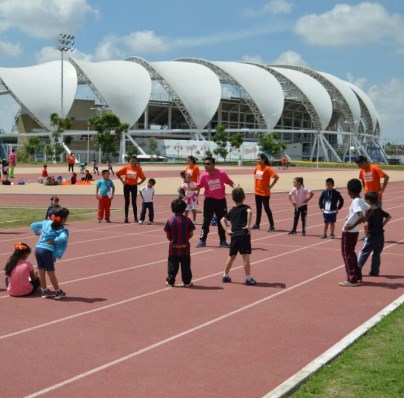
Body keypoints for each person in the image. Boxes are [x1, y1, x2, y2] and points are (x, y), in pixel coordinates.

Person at [188, 157, 235, 248]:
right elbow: (198, 186)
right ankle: (202, 240)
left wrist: (236, 187)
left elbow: (229, 182)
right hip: (209, 201)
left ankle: (223, 241)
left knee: (221, 221)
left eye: (208, 164)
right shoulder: (203, 176)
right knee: (206, 221)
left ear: (213, 165)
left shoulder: (221, 173)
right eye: (204, 164)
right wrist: (189, 187)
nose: (206, 165)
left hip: (221, 201)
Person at [31, 207, 70, 299]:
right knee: (51, 272)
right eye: (67, 218)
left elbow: (33, 225)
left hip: (38, 248)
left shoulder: (46, 222)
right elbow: (63, 238)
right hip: (46, 250)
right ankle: (57, 292)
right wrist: (54, 240)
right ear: (63, 219)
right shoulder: (62, 229)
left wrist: (38, 233)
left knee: (41, 270)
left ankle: (44, 291)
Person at [220, 187, 256, 285]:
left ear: (233, 198)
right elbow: (250, 212)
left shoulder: (232, 210)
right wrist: (248, 225)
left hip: (234, 235)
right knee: (245, 257)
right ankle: (248, 278)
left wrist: (227, 230)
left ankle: (225, 275)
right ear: (244, 197)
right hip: (244, 234)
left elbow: (222, 220)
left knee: (231, 257)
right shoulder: (246, 208)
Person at [339, 179, 370, 287]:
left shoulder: (356, 201)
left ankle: (351, 279)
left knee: (346, 254)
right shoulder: (361, 200)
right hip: (355, 232)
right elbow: (370, 210)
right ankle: (357, 276)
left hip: (349, 232)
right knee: (351, 253)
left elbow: (361, 216)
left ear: (349, 191)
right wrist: (362, 221)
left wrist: (352, 224)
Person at [358, 191, 392, 277]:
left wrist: (366, 234)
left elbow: (366, 225)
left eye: (365, 199)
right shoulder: (379, 209)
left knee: (364, 252)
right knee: (377, 253)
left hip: (371, 235)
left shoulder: (369, 211)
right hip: (380, 236)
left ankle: (357, 270)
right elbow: (389, 216)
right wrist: (382, 225)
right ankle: (374, 271)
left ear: (368, 201)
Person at [164, 198, 195, 287]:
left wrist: (172, 240)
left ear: (172, 209)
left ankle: (170, 281)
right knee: (186, 266)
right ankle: (187, 282)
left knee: (172, 266)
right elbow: (191, 234)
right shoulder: (188, 220)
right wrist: (185, 239)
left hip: (173, 248)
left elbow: (168, 235)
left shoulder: (170, 221)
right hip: (185, 248)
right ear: (184, 209)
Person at [251, 153, 279, 232]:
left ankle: (272, 226)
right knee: (258, 209)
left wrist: (270, 186)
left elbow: (276, 177)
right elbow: (257, 177)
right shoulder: (257, 167)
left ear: (263, 160)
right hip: (257, 192)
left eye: (259, 159)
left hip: (265, 193)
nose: (258, 160)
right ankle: (257, 224)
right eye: (257, 159)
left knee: (266, 208)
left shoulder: (267, 168)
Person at [116, 156, 146, 223]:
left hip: (134, 186)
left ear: (136, 162)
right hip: (126, 186)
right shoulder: (126, 167)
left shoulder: (138, 169)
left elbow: (144, 178)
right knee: (127, 202)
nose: (132, 162)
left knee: (134, 202)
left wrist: (139, 183)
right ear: (130, 161)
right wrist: (122, 181)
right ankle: (126, 218)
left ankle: (135, 218)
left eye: (134, 161)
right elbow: (117, 173)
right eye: (131, 161)